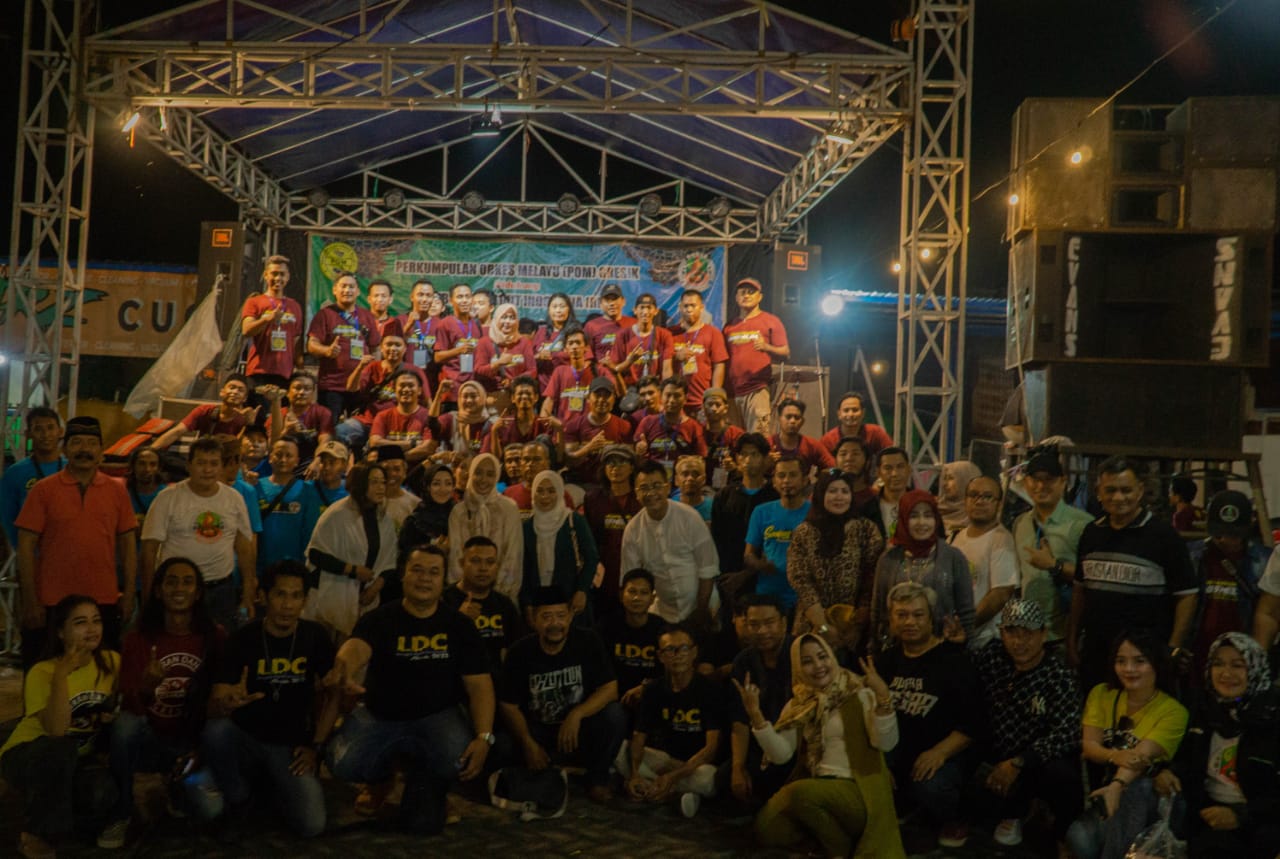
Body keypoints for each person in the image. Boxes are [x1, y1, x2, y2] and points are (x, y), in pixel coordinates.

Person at [324, 545, 495, 834]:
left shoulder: (460, 626)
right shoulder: (380, 618)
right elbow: (356, 648)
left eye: (433, 572)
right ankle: (381, 780)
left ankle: (430, 784)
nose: (424, 578)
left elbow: (480, 685)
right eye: (417, 570)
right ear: (403, 575)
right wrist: (344, 667)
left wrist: (484, 737)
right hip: (381, 716)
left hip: (438, 718)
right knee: (341, 762)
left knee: (451, 771)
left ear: (443, 580)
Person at [736, 633, 905, 858]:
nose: (818, 666)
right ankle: (835, 840)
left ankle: (837, 850)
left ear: (832, 657)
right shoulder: (799, 704)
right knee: (768, 828)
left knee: (799, 794)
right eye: (807, 661)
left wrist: (883, 697)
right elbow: (781, 755)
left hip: (858, 790)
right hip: (818, 786)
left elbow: (886, 743)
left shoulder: (859, 692)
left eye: (822, 656)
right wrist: (756, 716)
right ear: (798, 668)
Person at [101, 556, 224, 848]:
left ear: (198, 592)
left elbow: (218, 703)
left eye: (187, 582)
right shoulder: (138, 639)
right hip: (150, 740)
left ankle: (175, 788)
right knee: (125, 725)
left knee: (211, 809)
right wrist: (146, 689)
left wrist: (199, 750)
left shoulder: (215, 637)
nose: (179, 588)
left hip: (192, 746)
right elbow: (130, 708)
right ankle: (122, 812)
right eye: (171, 581)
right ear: (157, 590)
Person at [1, 595, 121, 859]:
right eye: (80, 623)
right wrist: (61, 675)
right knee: (60, 748)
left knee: (101, 792)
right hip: (27, 754)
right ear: (60, 632)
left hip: (77, 759)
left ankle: (49, 811)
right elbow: (56, 730)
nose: (91, 629)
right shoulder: (42, 671)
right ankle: (39, 837)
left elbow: (120, 704)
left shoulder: (111, 661)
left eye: (96, 621)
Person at [16, 416, 137, 670]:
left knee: (101, 676)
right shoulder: (43, 490)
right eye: (77, 442)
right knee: (44, 675)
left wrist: (128, 595)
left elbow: (128, 546)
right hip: (50, 601)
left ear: (101, 450)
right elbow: (25, 547)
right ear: (65, 449)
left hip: (102, 600)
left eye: (91, 443)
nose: (84, 449)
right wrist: (30, 600)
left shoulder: (117, 491)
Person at [1072, 456, 1199, 691]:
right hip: (1097, 655)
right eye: (1110, 490)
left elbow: (1187, 595)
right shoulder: (1091, 534)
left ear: (1140, 490)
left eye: (1126, 490)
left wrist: (1173, 647)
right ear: (1098, 492)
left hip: (1146, 660)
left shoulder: (1164, 537)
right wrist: (1072, 639)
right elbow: (1080, 592)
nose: (1118, 498)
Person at [970, 599, 1082, 852]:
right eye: (1012, 632)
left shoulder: (1058, 675)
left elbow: (1069, 732)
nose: (1019, 642)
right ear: (1002, 633)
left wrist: (1021, 761)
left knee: (1062, 774)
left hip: (1035, 761)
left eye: (1028, 633)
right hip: (995, 754)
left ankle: (1059, 832)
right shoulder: (992, 657)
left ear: (1043, 633)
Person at [1065, 629, 1189, 859]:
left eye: (1139, 661)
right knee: (1079, 838)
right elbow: (1090, 746)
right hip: (1110, 791)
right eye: (1121, 661)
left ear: (1156, 663)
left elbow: (1140, 755)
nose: (1129, 669)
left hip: (1154, 798)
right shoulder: (1102, 693)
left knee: (1137, 788)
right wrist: (1114, 757)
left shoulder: (1173, 711)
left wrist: (1117, 786)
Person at [1155, 632, 1280, 858]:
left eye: (1237, 665)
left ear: (1255, 669)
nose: (1226, 673)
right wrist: (1168, 772)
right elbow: (1186, 758)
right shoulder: (1204, 707)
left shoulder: (1272, 715)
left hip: (1260, 822)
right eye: (1218, 664)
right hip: (1206, 814)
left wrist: (1241, 815)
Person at [875, 582, 981, 848]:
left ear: (931, 618)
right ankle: (909, 806)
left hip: (943, 757)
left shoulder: (954, 660)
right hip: (897, 753)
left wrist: (939, 752)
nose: (910, 622)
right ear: (891, 620)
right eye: (901, 615)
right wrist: (878, 763)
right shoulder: (884, 662)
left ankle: (956, 816)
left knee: (931, 786)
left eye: (918, 614)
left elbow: (974, 724)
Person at [497, 585, 627, 803]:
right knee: (502, 744)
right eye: (547, 617)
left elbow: (610, 689)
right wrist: (528, 742)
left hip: (578, 729)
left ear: (570, 616)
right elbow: (508, 705)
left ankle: (597, 779)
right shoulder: (520, 651)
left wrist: (577, 714)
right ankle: (538, 773)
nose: (555, 624)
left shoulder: (588, 641)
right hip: (538, 729)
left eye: (561, 616)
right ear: (534, 619)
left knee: (615, 715)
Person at [141, 438, 257, 632]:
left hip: (221, 590)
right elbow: (148, 550)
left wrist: (248, 592)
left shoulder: (234, 499)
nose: (207, 470)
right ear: (189, 465)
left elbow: (244, 547)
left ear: (221, 466)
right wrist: (148, 596)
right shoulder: (167, 498)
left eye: (214, 463)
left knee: (220, 645)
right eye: (201, 463)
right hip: (178, 590)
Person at [619, 624, 723, 817]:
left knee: (709, 779)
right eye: (669, 650)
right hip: (665, 760)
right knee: (621, 750)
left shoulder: (709, 690)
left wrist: (674, 776)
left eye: (683, 648)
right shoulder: (653, 689)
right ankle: (669, 791)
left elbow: (711, 748)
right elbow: (639, 736)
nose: (677, 655)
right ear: (660, 656)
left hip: (695, 765)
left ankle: (656, 787)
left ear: (694, 653)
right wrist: (634, 773)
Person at [788, 469, 884, 648]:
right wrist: (824, 627)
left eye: (844, 491)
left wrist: (856, 626)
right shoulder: (804, 532)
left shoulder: (866, 530)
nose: (839, 497)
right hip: (812, 623)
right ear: (820, 495)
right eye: (832, 491)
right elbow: (800, 580)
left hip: (854, 627)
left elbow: (872, 579)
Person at [869, 489, 975, 649]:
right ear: (903, 519)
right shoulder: (888, 559)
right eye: (913, 516)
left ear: (936, 519)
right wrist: (874, 647)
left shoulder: (953, 557)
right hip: (896, 651)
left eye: (928, 515)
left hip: (942, 649)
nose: (921, 522)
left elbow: (966, 612)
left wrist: (966, 644)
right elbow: (878, 610)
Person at [621, 460, 721, 625]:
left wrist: (701, 610)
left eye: (657, 486)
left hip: (703, 605)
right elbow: (631, 578)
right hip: (662, 612)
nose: (651, 493)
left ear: (667, 488)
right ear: (636, 493)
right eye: (644, 488)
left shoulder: (690, 518)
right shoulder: (633, 530)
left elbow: (707, 568)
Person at [303, 461, 397, 638]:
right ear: (360, 484)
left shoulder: (384, 518)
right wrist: (352, 570)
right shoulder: (337, 514)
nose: (380, 487)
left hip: (365, 598)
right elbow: (316, 553)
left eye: (383, 482)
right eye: (374, 482)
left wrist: (375, 587)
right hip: (332, 595)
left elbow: (389, 559)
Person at [1183, 491, 1267, 682]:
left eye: (1233, 534)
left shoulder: (1264, 561)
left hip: (1242, 659)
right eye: (1218, 533)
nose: (1224, 540)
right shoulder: (1193, 556)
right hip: (1197, 656)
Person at [1012, 449, 1094, 643]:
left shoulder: (1083, 524)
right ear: (1026, 483)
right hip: (1029, 634)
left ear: (1063, 482)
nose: (1041, 485)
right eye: (1035, 479)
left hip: (1066, 634)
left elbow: (1094, 577)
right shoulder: (1020, 523)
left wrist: (1054, 566)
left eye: (1049, 479)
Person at [948, 475, 1020, 646]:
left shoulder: (1001, 539)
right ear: (965, 500)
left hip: (986, 640)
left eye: (987, 497)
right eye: (973, 495)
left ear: (999, 504)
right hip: (956, 636)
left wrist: (966, 626)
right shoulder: (955, 537)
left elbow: (1001, 594)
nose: (979, 501)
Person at [520, 469, 599, 620]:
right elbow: (524, 569)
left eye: (551, 491)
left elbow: (591, 558)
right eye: (540, 491)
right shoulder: (528, 527)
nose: (545, 496)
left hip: (571, 599)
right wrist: (527, 602)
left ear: (560, 492)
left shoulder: (573, 521)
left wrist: (582, 590)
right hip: (539, 601)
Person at [442, 536, 525, 674]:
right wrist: (459, 621)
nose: (483, 568)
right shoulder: (444, 600)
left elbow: (518, 650)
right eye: (475, 561)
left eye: (490, 562)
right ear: (462, 563)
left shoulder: (504, 604)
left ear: (497, 566)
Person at [306, 270, 383, 420]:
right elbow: (311, 344)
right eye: (343, 286)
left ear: (358, 291)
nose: (347, 290)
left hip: (360, 386)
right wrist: (326, 350)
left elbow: (375, 348)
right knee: (329, 427)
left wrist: (375, 375)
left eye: (351, 287)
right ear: (335, 290)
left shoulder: (366, 316)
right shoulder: (325, 314)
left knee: (358, 428)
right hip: (332, 387)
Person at [447, 452, 523, 601]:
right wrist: (463, 594)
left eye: (490, 474)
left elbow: (513, 555)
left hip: (501, 597)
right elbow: (455, 557)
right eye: (478, 473)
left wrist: (499, 594)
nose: (483, 479)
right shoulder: (459, 511)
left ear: (497, 477)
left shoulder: (509, 508)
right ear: (471, 474)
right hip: (464, 597)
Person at [338, 333, 430, 454]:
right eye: (389, 344)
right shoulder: (372, 368)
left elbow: (427, 401)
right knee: (339, 433)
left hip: (400, 426)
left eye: (397, 345)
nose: (393, 348)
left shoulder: (414, 371)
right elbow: (350, 388)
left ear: (405, 349)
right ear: (381, 348)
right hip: (369, 421)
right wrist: (360, 367)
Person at [744, 455, 810, 615]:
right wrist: (760, 565)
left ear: (804, 480)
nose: (786, 480)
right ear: (774, 482)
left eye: (793, 475)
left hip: (805, 598)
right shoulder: (761, 512)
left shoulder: (815, 513)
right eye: (781, 475)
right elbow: (748, 555)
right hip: (768, 595)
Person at [723, 277, 789, 435]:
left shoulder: (771, 321)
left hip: (757, 390)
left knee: (758, 439)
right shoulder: (729, 325)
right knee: (734, 439)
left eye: (751, 292)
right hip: (731, 393)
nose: (746, 296)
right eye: (742, 292)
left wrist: (767, 347)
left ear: (760, 297)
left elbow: (785, 352)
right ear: (736, 297)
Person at [583, 445, 642, 615]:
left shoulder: (640, 498)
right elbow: (589, 539)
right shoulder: (593, 499)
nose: (615, 468)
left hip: (636, 568)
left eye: (621, 462)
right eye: (610, 463)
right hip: (605, 573)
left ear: (632, 467)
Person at [710, 432, 779, 577]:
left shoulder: (775, 496)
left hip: (766, 572)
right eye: (743, 454)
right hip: (729, 572)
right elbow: (717, 538)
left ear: (765, 458)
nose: (748, 460)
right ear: (737, 458)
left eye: (754, 454)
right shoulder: (725, 496)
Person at [596, 569, 664, 711]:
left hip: (651, 695)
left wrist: (646, 688)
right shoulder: (606, 627)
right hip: (613, 697)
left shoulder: (662, 630)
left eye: (643, 593)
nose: (637, 598)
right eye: (632, 591)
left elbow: (669, 673)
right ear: (621, 595)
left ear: (652, 598)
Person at [254, 435, 322, 574]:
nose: (283, 460)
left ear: (297, 461)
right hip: (261, 566)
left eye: (289, 456)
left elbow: (309, 533)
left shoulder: (307, 490)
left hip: (294, 567)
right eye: (279, 455)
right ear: (270, 458)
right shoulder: (256, 487)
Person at [1, 407, 65, 549]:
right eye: (38, 429)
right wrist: (25, 552)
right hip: (32, 554)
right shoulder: (14, 474)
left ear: (60, 432)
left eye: (50, 428)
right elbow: (8, 519)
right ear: (28, 434)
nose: (45, 434)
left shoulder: (72, 470)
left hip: (67, 554)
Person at [240, 254, 304, 388]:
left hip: (285, 374)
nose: (278, 278)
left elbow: (296, 340)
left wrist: (300, 366)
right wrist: (266, 319)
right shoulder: (254, 302)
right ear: (266, 275)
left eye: (282, 274)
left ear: (288, 277)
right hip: (258, 372)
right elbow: (246, 330)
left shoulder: (295, 306)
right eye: (274, 274)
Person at [151, 375, 257, 449]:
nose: (235, 392)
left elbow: (245, 449)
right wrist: (151, 451)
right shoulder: (205, 411)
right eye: (232, 387)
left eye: (240, 390)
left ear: (245, 398)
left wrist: (249, 425)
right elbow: (177, 432)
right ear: (222, 392)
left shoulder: (245, 418)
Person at [563, 375, 632, 486]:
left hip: (613, 485)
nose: (601, 400)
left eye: (606, 396)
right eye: (597, 395)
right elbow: (570, 462)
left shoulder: (624, 426)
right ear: (588, 398)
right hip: (581, 484)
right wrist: (588, 448)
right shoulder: (573, 426)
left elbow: (629, 462)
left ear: (614, 399)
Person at [633, 376, 708, 477]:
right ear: (661, 396)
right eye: (668, 395)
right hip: (653, 480)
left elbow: (701, 460)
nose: (672, 400)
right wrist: (639, 451)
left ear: (685, 398)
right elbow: (636, 459)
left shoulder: (694, 427)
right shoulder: (647, 422)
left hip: (681, 481)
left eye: (677, 396)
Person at [669, 288, 728, 416]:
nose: (689, 309)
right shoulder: (670, 333)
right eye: (685, 306)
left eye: (693, 305)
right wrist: (675, 356)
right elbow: (662, 364)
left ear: (701, 307)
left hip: (702, 400)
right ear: (680, 307)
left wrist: (714, 395)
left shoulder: (713, 333)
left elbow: (719, 365)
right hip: (676, 401)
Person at [368, 369, 436, 465]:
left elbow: (427, 448)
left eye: (411, 386)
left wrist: (397, 458)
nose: (406, 389)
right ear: (394, 390)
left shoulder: (428, 417)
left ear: (420, 390)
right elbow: (375, 443)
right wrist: (413, 444)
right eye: (402, 385)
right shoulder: (382, 416)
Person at [273, 371, 333, 470]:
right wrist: (285, 432)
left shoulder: (322, 412)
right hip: (282, 460)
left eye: (307, 389)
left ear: (313, 393)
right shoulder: (278, 414)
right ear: (287, 392)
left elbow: (325, 440)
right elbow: (271, 445)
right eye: (297, 388)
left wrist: (317, 461)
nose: (301, 393)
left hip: (310, 460)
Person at [434, 283, 484, 398]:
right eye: (460, 297)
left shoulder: (476, 323)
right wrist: (459, 350)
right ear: (451, 301)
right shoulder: (445, 324)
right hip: (452, 386)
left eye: (467, 296)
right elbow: (437, 357)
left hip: (472, 385)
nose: (464, 300)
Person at [475, 302, 536, 393]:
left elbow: (532, 370)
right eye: (503, 317)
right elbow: (478, 372)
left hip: (517, 395)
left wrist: (514, 382)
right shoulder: (484, 342)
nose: (507, 322)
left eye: (512, 318)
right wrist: (498, 363)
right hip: (491, 395)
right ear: (496, 319)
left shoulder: (523, 343)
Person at [541, 327, 597, 424]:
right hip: (563, 427)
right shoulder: (559, 371)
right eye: (570, 343)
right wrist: (543, 422)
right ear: (565, 349)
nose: (574, 346)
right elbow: (549, 400)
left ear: (587, 347)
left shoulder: (596, 370)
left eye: (578, 343)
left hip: (589, 426)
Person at [398, 462, 456, 555]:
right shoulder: (415, 522)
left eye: (448, 483)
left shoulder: (459, 515)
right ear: (428, 487)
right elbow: (405, 556)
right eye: (436, 484)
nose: (443, 489)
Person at [859, 446, 914, 539]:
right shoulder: (867, 509)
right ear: (878, 472)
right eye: (888, 468)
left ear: (909, 469)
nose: (895, 474)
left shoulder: (923, 504)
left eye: (900, 467)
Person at [583, 282, 634, 380]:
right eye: (607, 300)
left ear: (623, 301)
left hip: (629, 378)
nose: (612, 303)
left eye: (615, 299)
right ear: (601, 304)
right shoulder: (591, 326)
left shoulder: (633, 324)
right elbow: (587, 358)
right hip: (603, 379)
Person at [769, 398, 834, 475]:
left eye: (797, 418)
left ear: (802, 421)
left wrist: (823, 476)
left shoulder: (811, 445)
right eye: (788, 417)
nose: (792, 421)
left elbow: (834, 469)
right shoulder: (768, 444)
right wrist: (765, 463)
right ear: (779, 419)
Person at [432, 379, 492, 460]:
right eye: (465, 396)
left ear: (482, 397)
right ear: (459, 399)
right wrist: (439, 395)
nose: (469, 400)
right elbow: (433, 425)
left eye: (473, 396)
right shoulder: (451, 418)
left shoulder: (488, 424)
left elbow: (484, 459)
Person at [820, 392, 893, 459]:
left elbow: (891, 455)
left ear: (863, 413)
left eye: (855, 410)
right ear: (839, 414)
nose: (850, 414)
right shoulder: (828, 440)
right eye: (846, 410)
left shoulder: (875, 433)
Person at [699, 386, 743, 490]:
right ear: (703, 408)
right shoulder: (698, 432)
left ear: (726, 408)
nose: (714, 409)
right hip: (702, 488)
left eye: (718, 405)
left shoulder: (736, 434)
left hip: (729, 488)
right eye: (710, 404)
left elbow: (745, 468)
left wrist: (734, 467)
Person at [532, 292, 578, 390]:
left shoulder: (576, 332)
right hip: (543, 387)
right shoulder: (541, 332)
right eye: (554, 307)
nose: (558, 310)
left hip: (567, 386)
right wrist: (539, 356)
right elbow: (530, 360)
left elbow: (586, 361)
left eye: (562, 306)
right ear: (549, 310)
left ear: (569, 309)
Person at [399, 280, 442, 374]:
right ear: (412, 297)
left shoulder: (440, 324)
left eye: (428, 295)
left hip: (431, 377)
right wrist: (408, 326)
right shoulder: (400, 320)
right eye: (420, 295)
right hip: (405, 376)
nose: (424, 299)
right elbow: (392, 348)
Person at [936, 460, 983, 533]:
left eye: (950, 478)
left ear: (966, 481)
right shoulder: (933, 513)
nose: (944, 484)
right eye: (944, 478)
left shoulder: (981, 520)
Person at [310, 439, 350, 511]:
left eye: (332, 462)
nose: (327, 467)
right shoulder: (307, 489)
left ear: (344, 464)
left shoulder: (351, 492)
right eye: (322, 462)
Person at [671, 454, 713, 522]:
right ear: (676, 480)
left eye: (695, 474)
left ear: (704, 479)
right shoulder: (669, 507)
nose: (690, 478)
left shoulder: (713, 507)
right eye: (685, 474)